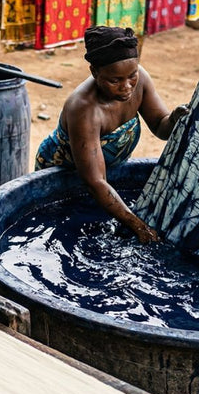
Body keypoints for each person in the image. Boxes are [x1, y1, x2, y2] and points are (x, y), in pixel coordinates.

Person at [35, 26, 188, 243]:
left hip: (106, 174)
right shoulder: (84, 109)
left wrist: (174, 118)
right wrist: (139, 226)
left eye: (131, 76)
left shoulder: (140, 80)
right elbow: (96, 181)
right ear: (95, 73)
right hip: (65, 174)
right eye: (114, 81)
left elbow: (161, 128)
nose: (126, 87)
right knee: (65, 233)